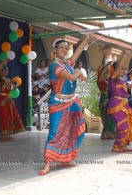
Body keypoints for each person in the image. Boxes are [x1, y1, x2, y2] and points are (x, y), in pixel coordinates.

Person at [38, 35, 90, 176]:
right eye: (61, 47)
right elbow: (72, 77)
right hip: (58, 103)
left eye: (66, 48)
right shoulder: (54, 66)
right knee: (54, 133)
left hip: (72, 102)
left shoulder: (67, 64)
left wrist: (86, 38)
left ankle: (65, 159)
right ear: (54, 50)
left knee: (75, 130)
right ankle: (47, 164)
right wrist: (79, 72)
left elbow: (78, 52)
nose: (64, 50)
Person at [107, 50, 132, 153]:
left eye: (124, 68)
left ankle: (123, 145)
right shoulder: (113, 78)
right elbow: (117, 69)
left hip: (124, 105)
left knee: (128, 126)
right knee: (123, 126)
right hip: (116, 105)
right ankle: (116, 146)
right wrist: (125, 55)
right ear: (115, 69)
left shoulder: (121, 80)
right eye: (121, 68)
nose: (123, 70)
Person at [0, 58, 25, 141]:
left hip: (9, 99)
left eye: (8, 70)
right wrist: (4, 62)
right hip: (2, 100)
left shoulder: (8, 80)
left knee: (9, 117)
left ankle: (8, 134)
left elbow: (12, 89)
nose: (7, 71)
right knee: (3, 117)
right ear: (1, 71)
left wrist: (15, 86)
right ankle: (3, 135)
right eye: (5, 70)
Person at [97, 62, 115, 140]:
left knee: (111, 116)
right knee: (106, 116)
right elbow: (101, 75)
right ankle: (106, 133)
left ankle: (111, 133)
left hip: (110, 98)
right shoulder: (100, 80)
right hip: (104, 99)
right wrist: (107, 65)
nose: (107, 72)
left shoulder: (108, 80)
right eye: (106, 71)